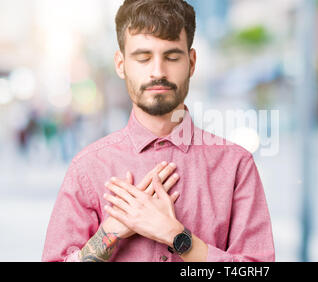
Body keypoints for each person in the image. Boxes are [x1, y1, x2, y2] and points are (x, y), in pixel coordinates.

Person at [42, 0, 275, 262]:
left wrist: (176, 236)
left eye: (172, 57)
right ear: (121, 64)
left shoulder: (236, 165)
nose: (157, 71)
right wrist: (110, 232)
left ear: (192, 62)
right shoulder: (87, 168)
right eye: (143, 58)